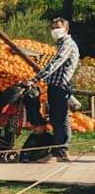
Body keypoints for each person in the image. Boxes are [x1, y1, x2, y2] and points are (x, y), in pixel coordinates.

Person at [28, 18, 80, 162]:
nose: (55, 30)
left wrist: (35, 79)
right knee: (57, 119)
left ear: (66, 29)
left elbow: (55, 64)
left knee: (61, 119)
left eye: (58, 27)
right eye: (53, 27)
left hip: (60, 88)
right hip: (55, 87)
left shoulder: (67, 44)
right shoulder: (61, 44)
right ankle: (58, 151)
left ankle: (61, 151)